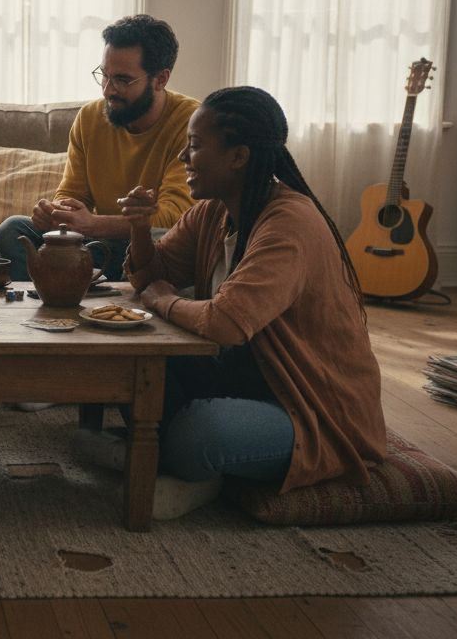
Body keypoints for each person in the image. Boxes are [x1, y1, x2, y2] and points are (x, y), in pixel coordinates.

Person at [95, 85, 387, 519]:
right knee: (130, 361)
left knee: (199, 434)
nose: (183, 159)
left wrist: (165, 302)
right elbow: (149, 278)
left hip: (309, 408)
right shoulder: (213, 210)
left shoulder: (290, 222)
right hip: (245, 378)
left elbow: (226, 322)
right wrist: (140, 228)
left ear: (239, 156)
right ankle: (173, 464)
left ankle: (166, 462)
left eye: (194, 147)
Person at [0, 14, 198, 285]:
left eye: (123, 80)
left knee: (164, 241)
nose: (107, 90)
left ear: (160, 79)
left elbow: (174, 218)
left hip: (149, 244)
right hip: (99, 244)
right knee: (12, 231)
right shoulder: (90, 117)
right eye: (104, 75)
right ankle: (59, 300)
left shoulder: (191, 122)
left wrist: (92, 224)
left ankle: (97, 293)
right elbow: (72, 193)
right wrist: (57, 213)